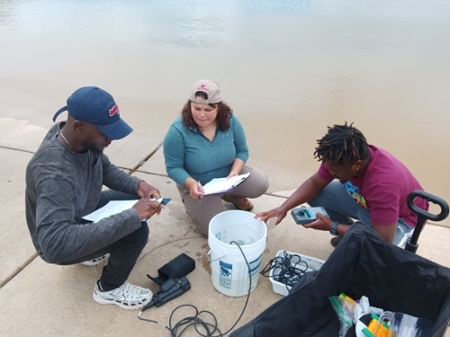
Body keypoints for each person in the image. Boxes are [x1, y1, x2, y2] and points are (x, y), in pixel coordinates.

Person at [25, 86, 164, 310]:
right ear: (78, 126)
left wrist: (138, 185)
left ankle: (90, 250)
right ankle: (109, 289)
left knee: (131, 198)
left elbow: (104, 168)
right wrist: (131, 217)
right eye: (105, 132)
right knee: (136, 230)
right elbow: (54, 244)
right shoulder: (54, 173)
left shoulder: (74, 137)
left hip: (80, 209)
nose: (111, 138)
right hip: (61, 238)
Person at [256, 122, 428, 247]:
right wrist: (283, 207)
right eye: (328, 166)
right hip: (367, 202)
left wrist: (333, 226)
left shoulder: (383, 183)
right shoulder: (339, 156)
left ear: (357, 165)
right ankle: (352, 234)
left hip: (402, 219)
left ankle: (354, 235)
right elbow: (315, 183)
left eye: (336, 171)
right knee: (318, 194)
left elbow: (383, 238)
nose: (330, 172)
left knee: (377, 251)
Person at [163, 79, 269, 236]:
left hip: (228, 177)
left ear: (218, 107)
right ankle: (192, 203)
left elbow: (242, 151)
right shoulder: (177, 131)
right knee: (214, 230)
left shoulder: (231, 120)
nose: (201, 115)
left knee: (261, 184)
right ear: (189, 105)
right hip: (199, 186)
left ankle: (231, 194)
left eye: (208, 109)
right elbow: (173, 168)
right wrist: (191, 183)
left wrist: (235, 172)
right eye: (197, 108)